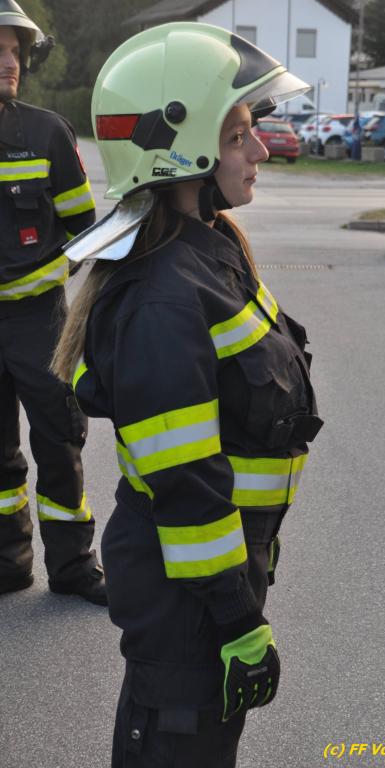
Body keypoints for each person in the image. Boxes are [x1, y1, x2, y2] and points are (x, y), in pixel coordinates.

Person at [52, 22, 323, 767]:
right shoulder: (163, 300)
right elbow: (185, 482)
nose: (259, 150)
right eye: (238, 136)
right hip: (190, 589)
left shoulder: (212, 248)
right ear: (184, 152)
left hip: (214, 571)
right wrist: (236, 618)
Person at [0, 0, 106, 605]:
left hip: (40, 322)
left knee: (60, 445)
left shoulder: (47, 134)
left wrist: (46, 278)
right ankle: (9, 564)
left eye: (16, 50)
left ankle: (72, 567)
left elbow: (84, 230)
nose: (11, 62)